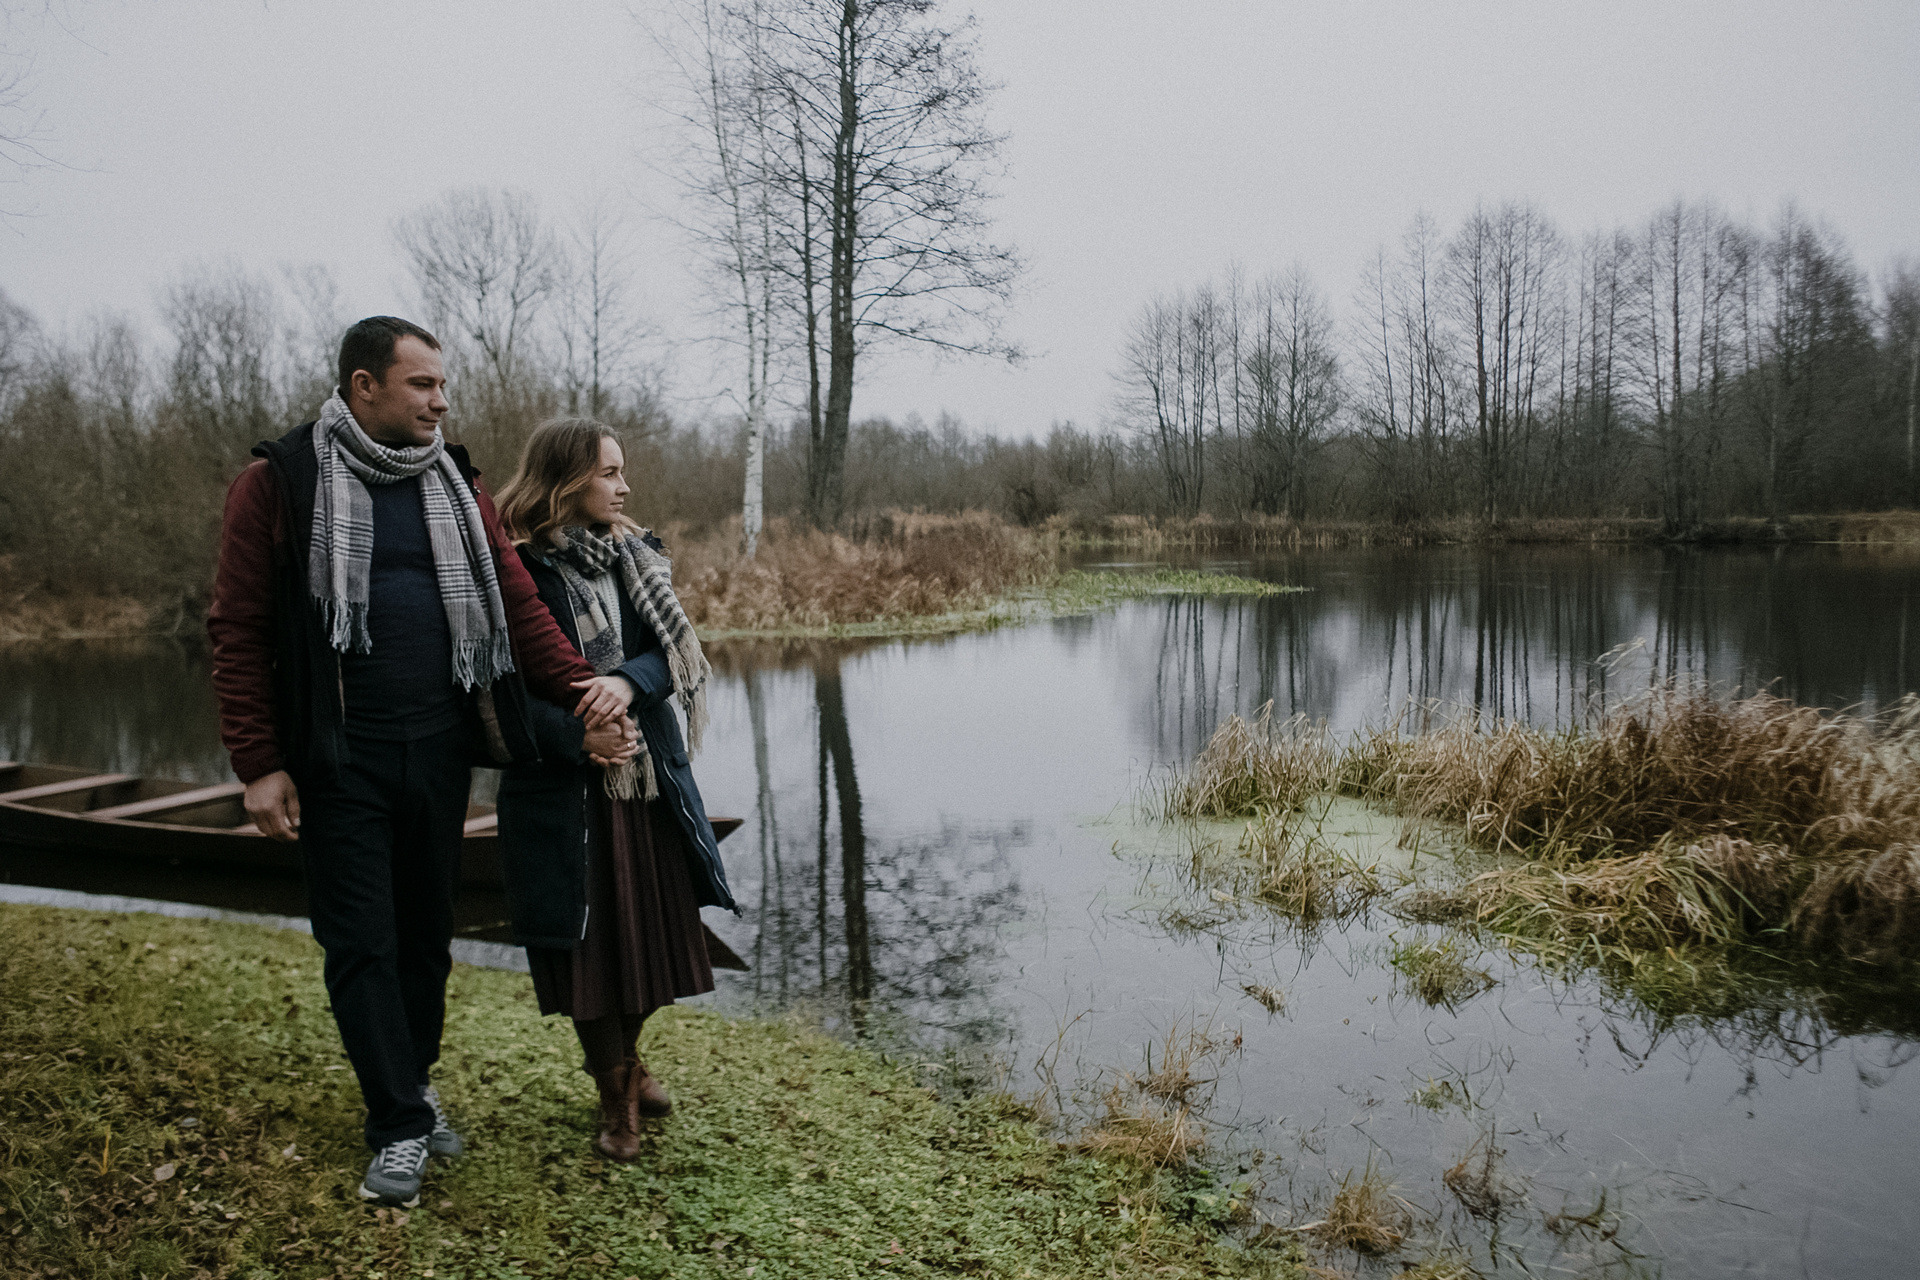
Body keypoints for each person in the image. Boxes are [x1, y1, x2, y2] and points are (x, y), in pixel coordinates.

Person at [206, 317, 636, 1207]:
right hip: (337, 757)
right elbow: (238, 630)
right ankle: (398, 1121)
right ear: (365, 387)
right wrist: (258, 762)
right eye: (422, 386)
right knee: (360, 940)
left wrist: (581, 687)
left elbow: (517, 605)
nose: (441, 401)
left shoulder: (456, 485)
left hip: (438, 750)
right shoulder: (280, 483)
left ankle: (412, 1081)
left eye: (443, 385)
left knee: (422, 939)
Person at [490, 417, 737, 1162]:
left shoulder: (639, 558)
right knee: (589, 955)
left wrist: (625, 684)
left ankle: (626, 1065)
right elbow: (498, 696)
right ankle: (615, 1090)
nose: (624, 487)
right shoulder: (516, 573)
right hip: (565, 797)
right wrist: (578, 732)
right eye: (608, 473)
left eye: (623, 472)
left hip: (645, 783)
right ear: (564, 479)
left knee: (651, 943)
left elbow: (673, 655)